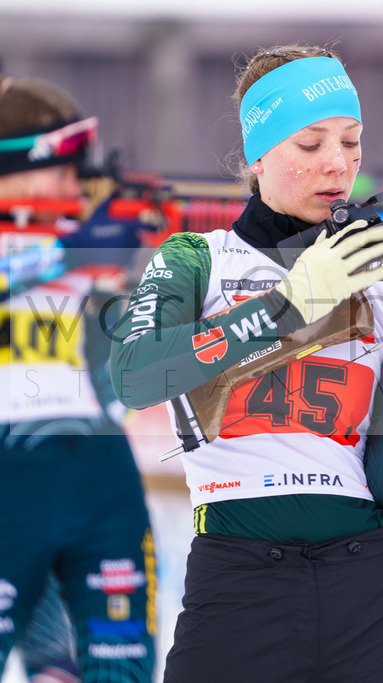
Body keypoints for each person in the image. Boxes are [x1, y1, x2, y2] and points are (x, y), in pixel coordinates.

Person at [108, 45, 383, 682]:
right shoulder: (196, 259)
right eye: (311, 144)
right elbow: (135, 376)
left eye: (351, 143)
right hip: (238, 585)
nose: (338, 165)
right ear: (259, 153)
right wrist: (289, 305)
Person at [0, 72, 157, 682]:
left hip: (97, 483)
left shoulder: (89, 247)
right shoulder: (71, 248)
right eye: (62, 166)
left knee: (119, 668)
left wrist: (130, 284)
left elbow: (131, 375)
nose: (74, 184)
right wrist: (67, 256)